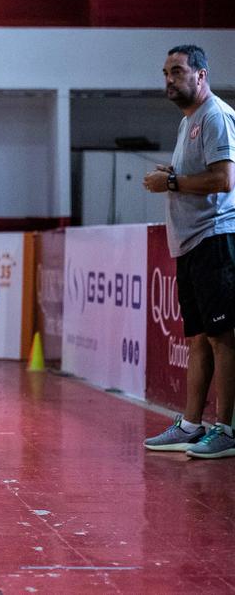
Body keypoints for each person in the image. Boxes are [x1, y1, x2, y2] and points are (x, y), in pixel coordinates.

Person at [143, 44, 235, 459]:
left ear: (201, 74)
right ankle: (191, 424)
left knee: (223, 337)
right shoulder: (189, 121)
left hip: (215, 238)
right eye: (165, 73)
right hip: (192, 242)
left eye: (177, 71)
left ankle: (226, 429)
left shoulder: (215, 116)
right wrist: (174, 175)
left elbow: (223, 181)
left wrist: (173, 183)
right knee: (199, 336)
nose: (169, 80)